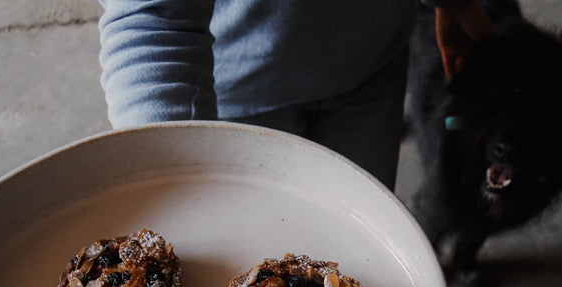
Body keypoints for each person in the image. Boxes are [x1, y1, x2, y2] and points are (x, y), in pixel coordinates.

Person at [97, 0, 493, 190]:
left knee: (353, 249)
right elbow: (153, 23)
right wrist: (172, 177)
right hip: (239, 94)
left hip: (373, 67)